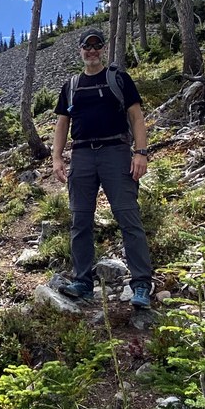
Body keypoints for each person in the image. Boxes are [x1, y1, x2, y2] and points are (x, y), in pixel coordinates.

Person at [50, 27, 154, 323]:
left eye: (97, 45)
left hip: (116, 152)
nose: (92, 50)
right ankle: (82, 282)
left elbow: (136, 116)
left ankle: (141, 284)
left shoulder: (118, 78)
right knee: (80, 220)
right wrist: (57, 157)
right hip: (82, 155)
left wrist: (141, 152)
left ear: (103, 48)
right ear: (80, 50)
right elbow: (62, 123)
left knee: (128, 217)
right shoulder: (71, 85)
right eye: (87, 46)